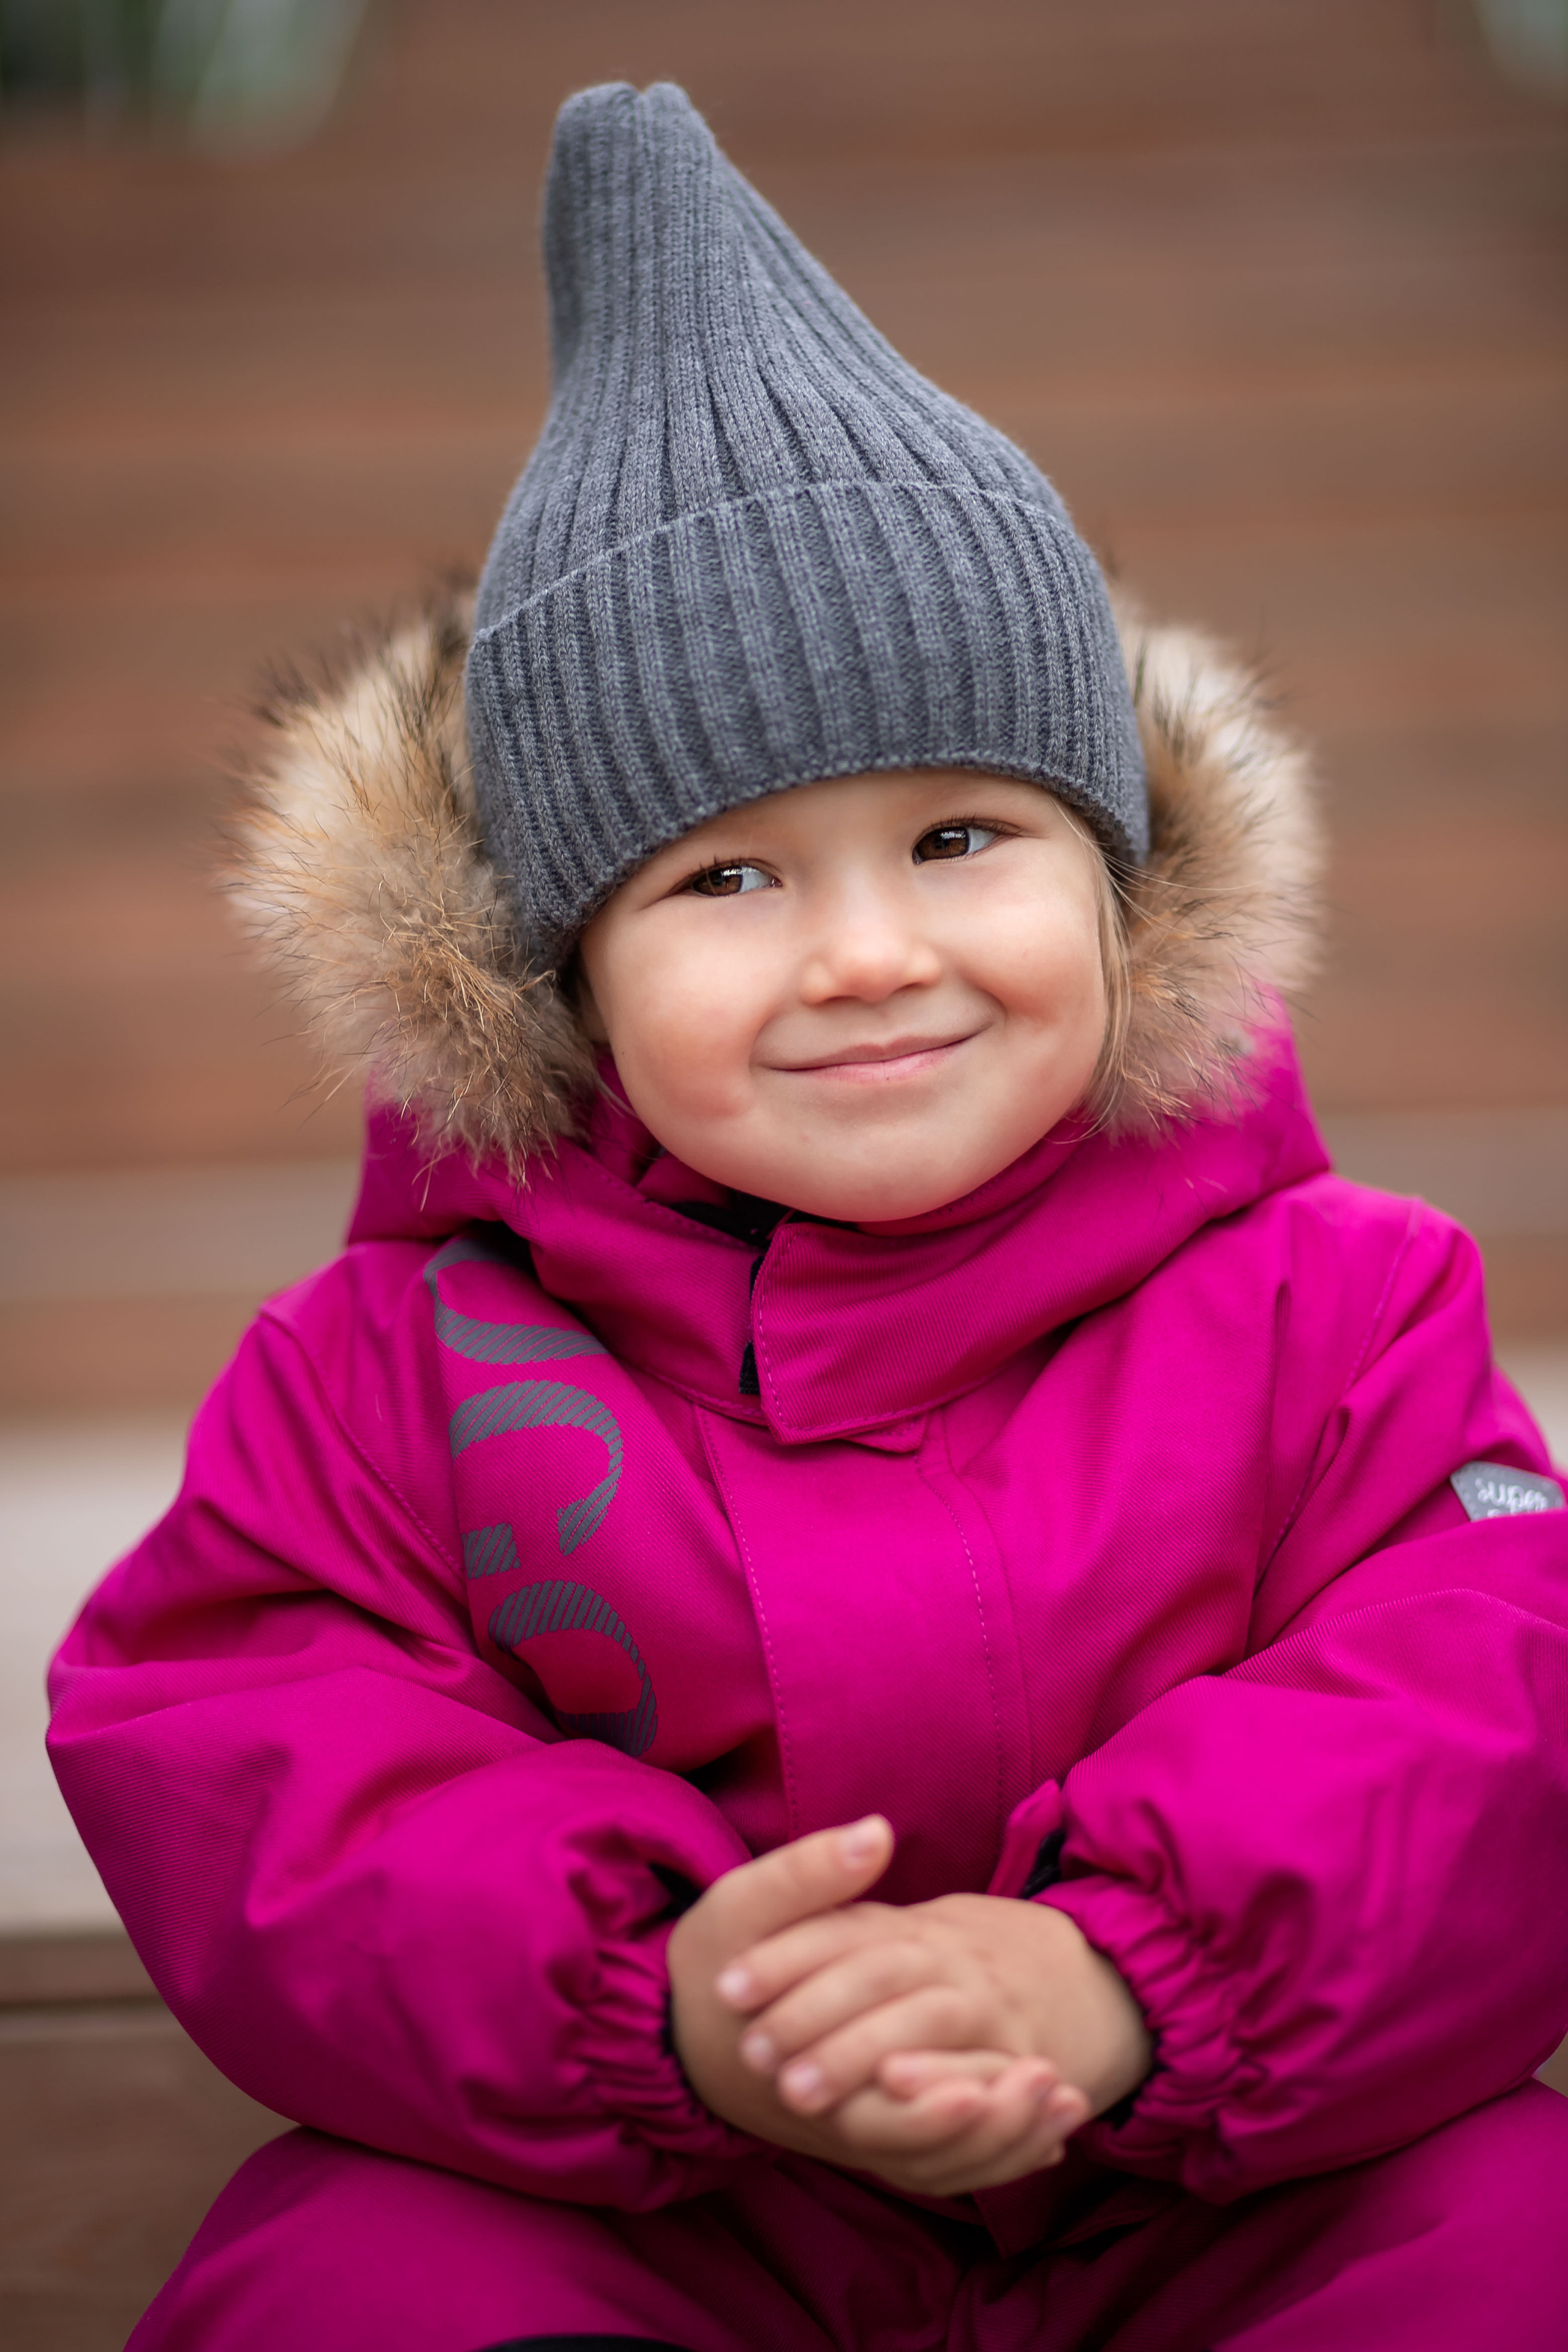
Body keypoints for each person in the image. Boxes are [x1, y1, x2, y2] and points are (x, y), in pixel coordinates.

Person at [48, 81, 1568, 2352]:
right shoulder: (386, 1383)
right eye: (730, 878)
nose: (867, 953)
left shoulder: (1339, 1306)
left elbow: (1489, 1684)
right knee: (357, 2286)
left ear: (1123, 885)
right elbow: (262, 1754)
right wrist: (667, 2002)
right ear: (561, 971)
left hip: (1226, 2178)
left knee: (1518, 2235)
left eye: (961, 838)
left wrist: (1121, 1972)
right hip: (680, 2203)